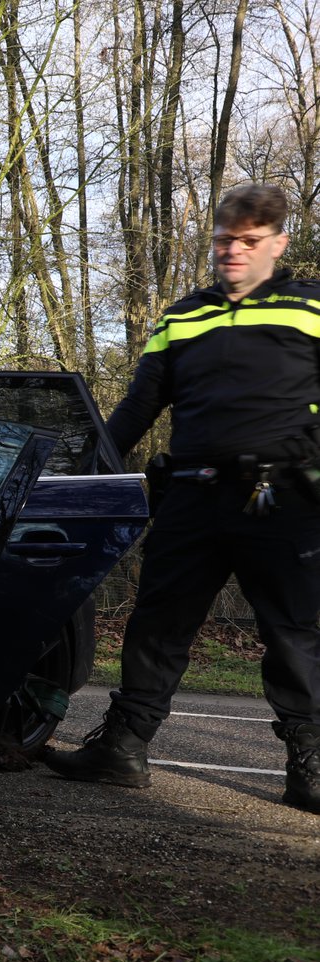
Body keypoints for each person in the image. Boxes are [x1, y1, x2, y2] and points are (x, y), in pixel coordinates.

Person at [43, 184, 320, 814]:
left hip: (281, 497)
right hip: (191, 494)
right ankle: (122, 748)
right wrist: (87, 473)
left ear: (277, 242)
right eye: (224, 240)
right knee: (157, 625)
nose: (233, 252)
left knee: (291, 633)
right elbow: (140, 404)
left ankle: (310, 765)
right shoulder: (182, 316)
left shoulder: (310, 308)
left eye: (249, 241)